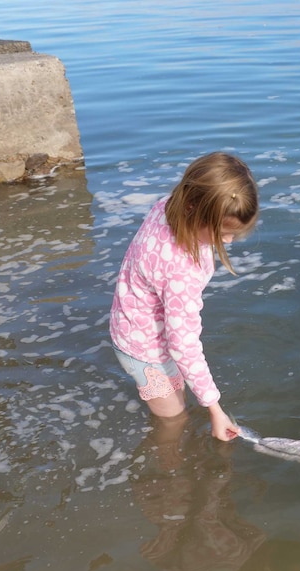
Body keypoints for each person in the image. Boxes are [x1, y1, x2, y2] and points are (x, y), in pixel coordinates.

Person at [110, 152, 259, 441]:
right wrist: (215, 409)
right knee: (173, 421)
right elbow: (183, 344)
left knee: (178, 398)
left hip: (130, 322)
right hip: (143, 349)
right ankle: (169, 479)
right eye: (221, 232)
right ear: (193, 208)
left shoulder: (167, 207)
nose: (227, 241)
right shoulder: (181, 269)